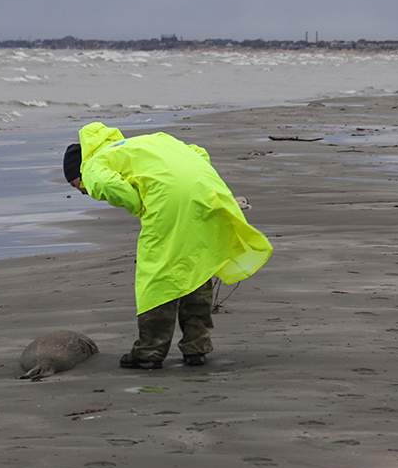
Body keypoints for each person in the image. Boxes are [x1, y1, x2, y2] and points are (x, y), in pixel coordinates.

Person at [63, 122, 273, 369]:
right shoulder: (147, 141)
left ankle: (150, 351)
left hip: (170, 201)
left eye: (76, 184)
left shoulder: (94, 164)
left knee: (157, 272)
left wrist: (139, 204)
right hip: (207, 190)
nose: (81, 190)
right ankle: (197, 347)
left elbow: (110, 186)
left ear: (79, 170)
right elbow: (198, 152)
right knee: (197, 263)